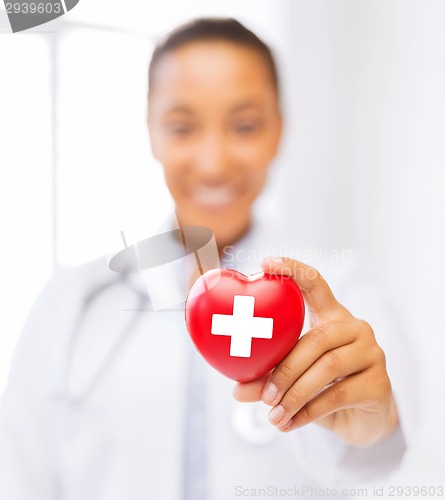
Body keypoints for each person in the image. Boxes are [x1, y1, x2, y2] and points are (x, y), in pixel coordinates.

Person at [0, 18, 412, 500]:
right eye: (182, 127)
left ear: (278, 132)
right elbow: (18, 477)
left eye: (244, 125)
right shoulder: (72, 304)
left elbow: (394, 467)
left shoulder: (346, 300)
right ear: (151, 132)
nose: (214, 161)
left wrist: (374, 428)